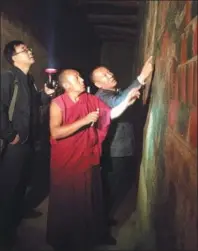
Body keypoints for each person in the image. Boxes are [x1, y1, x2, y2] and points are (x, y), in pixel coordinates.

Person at [46, 69, 141, 251]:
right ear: (66, 85)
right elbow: (56, 132)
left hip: (87, 156)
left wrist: (127, 102)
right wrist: (83, 121)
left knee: (90, 198)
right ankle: (65, 240)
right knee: (67, 200)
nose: (82, 80)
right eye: (77, 78)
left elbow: (109, 115)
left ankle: (92, 236)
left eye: (81, 77)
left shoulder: (90, 99)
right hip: (66, 161)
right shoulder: (58, 104)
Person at [0, 40, 54, 250]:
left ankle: (19, 211)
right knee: (8, 188)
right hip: (14, 143)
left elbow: (33, 104)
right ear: (14, 58)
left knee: (22, 182)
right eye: (24, 50)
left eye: (28, 48)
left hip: (29, 141)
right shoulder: (8, 77)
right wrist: (10, 134)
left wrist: (45, 95)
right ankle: (5, 233)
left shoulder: (28, 79)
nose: (30, 51)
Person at [90, 57, 154, 216]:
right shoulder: (102, 96)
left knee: (115, 186)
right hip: (115, 151)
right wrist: (141, 78)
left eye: (108, 72)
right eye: (104, 76)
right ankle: (101, 223)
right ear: (98, 84)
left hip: (122, 148)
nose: (110, 75)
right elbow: (118, 102)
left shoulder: (113, 91)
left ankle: (103, 219)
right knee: (111, 188)